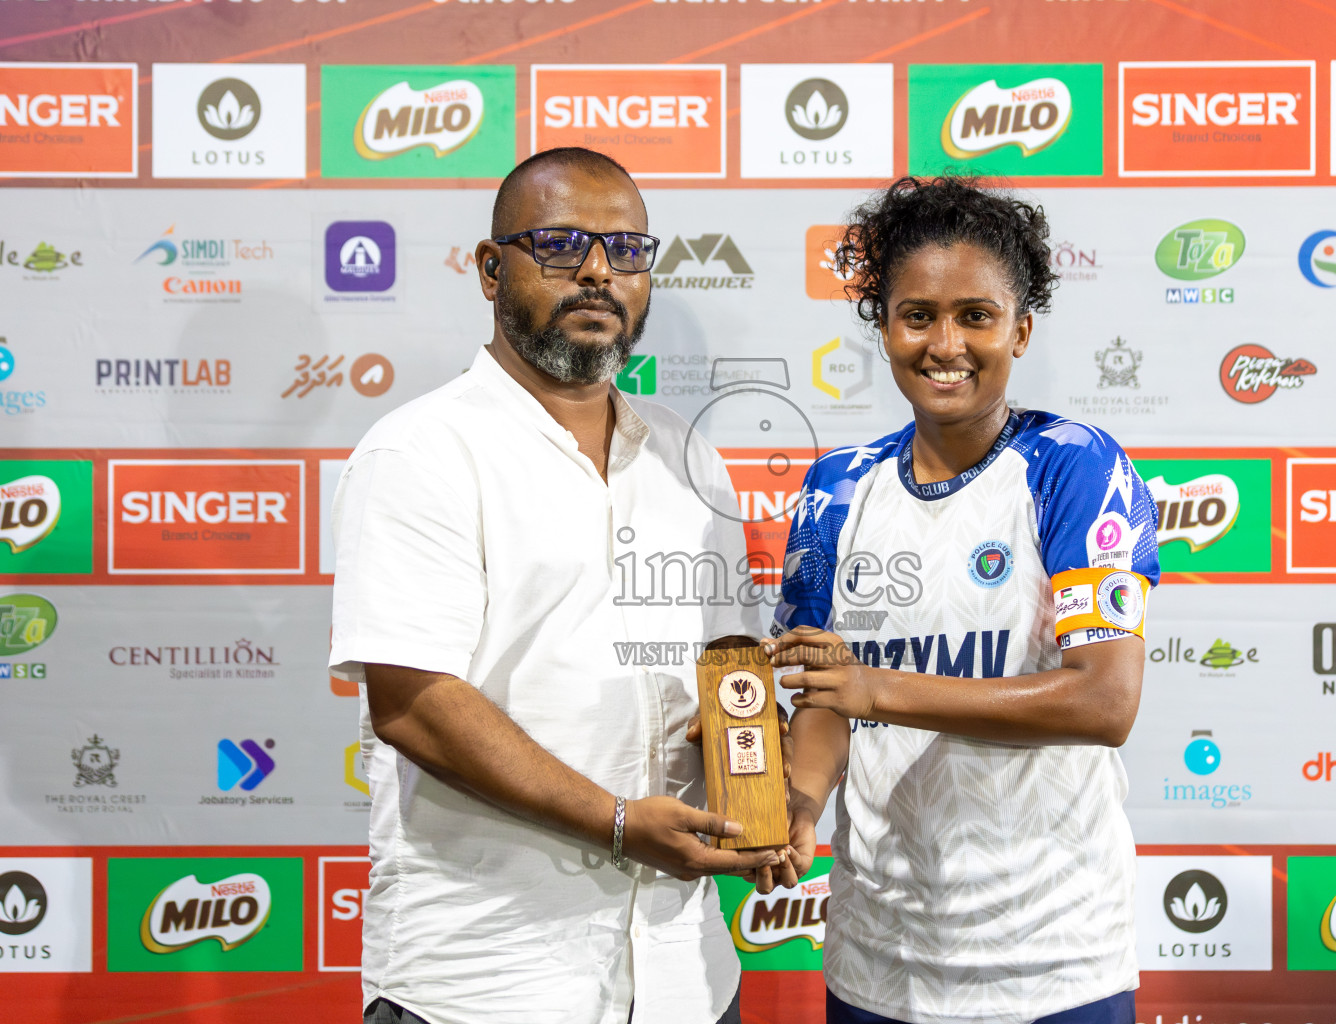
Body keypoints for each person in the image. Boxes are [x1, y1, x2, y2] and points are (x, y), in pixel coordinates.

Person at [328, 147, 799, 1024]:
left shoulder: (690, 456)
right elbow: (414, 702)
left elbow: (725, 678)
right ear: (488, 268)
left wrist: (759, 776)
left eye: (626, 251)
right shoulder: (420, 453)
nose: (596, 272)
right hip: (487, 981)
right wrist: (621, 822)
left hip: (682, 979)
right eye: (557, 244)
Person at [769, 176, 1160, 1024]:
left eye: (976, 315)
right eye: (918, 315)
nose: (946, 343)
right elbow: (826, 699)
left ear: (1020, 329)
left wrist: (881, 689)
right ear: (884, 328)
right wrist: (796, 802)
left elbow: (1105, 698)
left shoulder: (1074, 466)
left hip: (1053, 962)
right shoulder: (837, 486)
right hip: (878, 959)